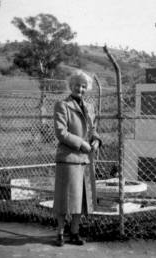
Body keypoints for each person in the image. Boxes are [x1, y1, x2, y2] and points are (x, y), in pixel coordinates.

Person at [53, 70, 101, 246]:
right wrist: (82, 143)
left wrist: (96, 140)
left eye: (83, 86)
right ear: (70, 85)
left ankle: (74, 232)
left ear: (86, 88)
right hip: (68, 158)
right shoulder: (62, 105)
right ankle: (60, 233)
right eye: (76, 85)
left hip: (85, 159)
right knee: (64, 198)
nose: (79, 88)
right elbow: (61, 132)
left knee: (81, 199)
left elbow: (93, 128)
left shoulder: (90, 107)